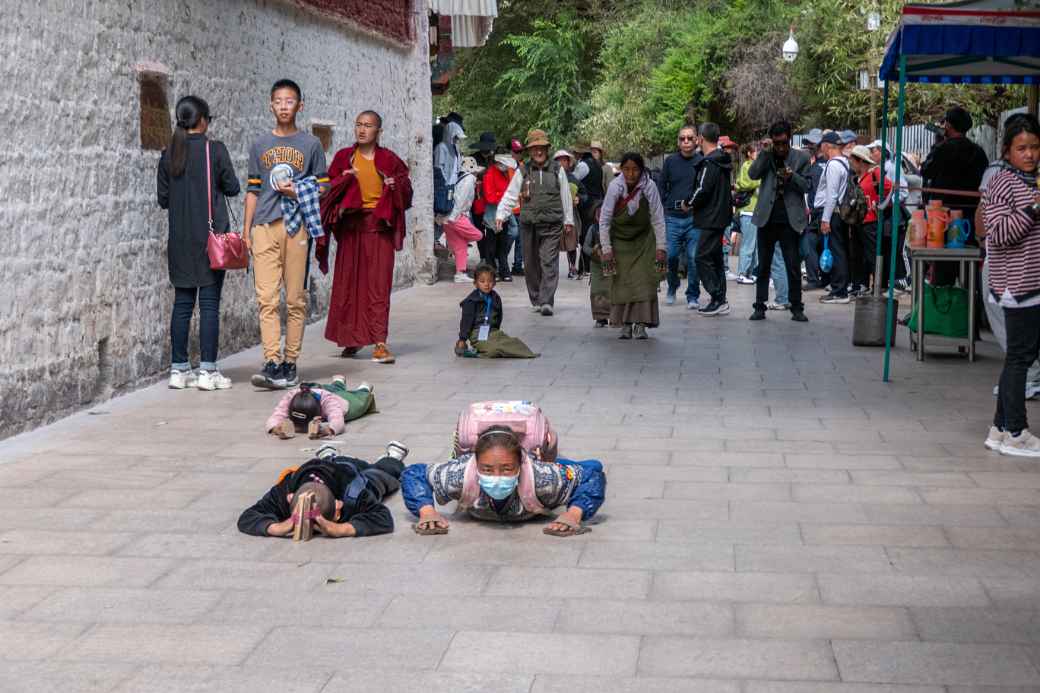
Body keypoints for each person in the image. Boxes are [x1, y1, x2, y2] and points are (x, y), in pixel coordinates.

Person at [242, 79, 329, 390]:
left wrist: (299, 189)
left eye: (289, 101)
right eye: (277, 100)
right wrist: (246, 230)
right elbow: (253, 188)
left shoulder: (310, 145)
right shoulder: (259, 145)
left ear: (299, 106)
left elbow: (323, 184)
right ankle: (271, 361)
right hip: (264, 225)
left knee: (294, 298)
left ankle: (290, 362)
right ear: (270, 104)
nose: (283, 106)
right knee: (266, 297)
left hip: (297, 225)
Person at [157, 95, 240, 391]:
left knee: (181, 304)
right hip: (210, 240)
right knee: (208, 305)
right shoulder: (214, 150)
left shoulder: (169, 154)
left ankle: (179, 369)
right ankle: (208, 370)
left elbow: (163, 200)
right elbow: (233, 187)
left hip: (179, 241)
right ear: (203, 120)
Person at [321, 111, 413, 365]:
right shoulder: (344, 157)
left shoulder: (389, 159)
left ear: (378, 132)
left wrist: (394, 185)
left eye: (368, 126)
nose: (362, 130)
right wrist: (344, 179)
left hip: (378, 228)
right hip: (352, 228)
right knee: (349, 283)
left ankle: (380, 342)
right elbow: (328, 189)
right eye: (359, 125)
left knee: (378, 286)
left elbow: (407, 192)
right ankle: (352, 337)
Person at [402, 425, 605, 537]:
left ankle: (567, 461)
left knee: (592, 467)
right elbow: (414, 473)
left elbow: (591, 477)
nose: (496, 477)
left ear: (520, 465)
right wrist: (426, 510)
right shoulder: (459, 474)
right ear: (476, 464)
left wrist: (574, 513)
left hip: (543, 465)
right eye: (487, 469)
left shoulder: (544, 479)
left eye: (507, 469)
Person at [981, 114, 1040, 457]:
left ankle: (1000, 428)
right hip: (1017, 286)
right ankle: (1017, 431)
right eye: (1022, 148)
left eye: (1034, 147)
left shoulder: (1032, 181)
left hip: (1032, 283)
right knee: (1020, 358)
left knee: (1020, 357)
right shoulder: (1003, 182)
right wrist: (1033, 208)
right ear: (1007, 150)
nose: (1030, 154)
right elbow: (999, 233)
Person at [238, 442, 409, 538]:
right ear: (290, 498)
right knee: (335, 460)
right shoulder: (284, 490)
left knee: (385, 475)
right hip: (327, 467)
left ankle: (392, 458)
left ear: (338, 506)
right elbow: (247, 517)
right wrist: (277, 527)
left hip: (356, 474)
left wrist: (341, 529)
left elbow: (384, 518)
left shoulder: (353, 494)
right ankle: (329, 455)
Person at [495, 129, 575, 316]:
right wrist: (501, 214)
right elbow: (511, 193)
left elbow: (565, 195)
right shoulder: (523, 170)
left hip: (552, 224)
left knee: (549, 262)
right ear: (530, 151)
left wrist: (568, 219)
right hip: (528, 224)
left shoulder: (557, 169)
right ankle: (537, 298)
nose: (538, 152)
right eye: (534, 149)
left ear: (547, 149)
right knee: (530, 264)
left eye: (542, 148)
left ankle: (547, 301)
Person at [747, 120, 811, 322]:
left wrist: (792, 177)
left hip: (790, 220)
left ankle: (797, 307)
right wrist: (765, 153)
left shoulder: (801, 157)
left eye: (784, 143)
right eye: (777, 143)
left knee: (792, 265)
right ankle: (760, 306)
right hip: (766, 218)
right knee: (763, 265)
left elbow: (808, 186)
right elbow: (752, 174)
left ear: (789, 139)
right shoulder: (767, 156)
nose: (781, 147)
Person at [597, 153, 667, 339]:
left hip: (644, 240)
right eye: (626, 169)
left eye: (635, 169)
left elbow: (658, 218)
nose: (631, 173)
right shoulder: (614, 187)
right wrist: (606, 249)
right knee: (622, 283)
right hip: (619, 241)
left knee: (645, 281)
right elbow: (604, 220)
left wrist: (661, 248)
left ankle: (641, 324)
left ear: (641, 170)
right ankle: (626, 324)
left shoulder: (649, 187)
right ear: (621, 170)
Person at [688, 123, 734, 316]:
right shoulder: (722, 160)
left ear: (701, 138)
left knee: (701, 257)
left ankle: (716, 297)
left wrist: (689, 203)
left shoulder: (710, 162)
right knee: (714, 258)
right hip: (721, 216)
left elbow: (703, 188)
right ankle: (720, 300)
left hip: (710, 217)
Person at [922, 106, 990, 230]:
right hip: (970, 214)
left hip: (943, 215)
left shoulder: (942, 149)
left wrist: (937, 144)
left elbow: (926, 171)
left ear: (948, 125)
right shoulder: (978, 151)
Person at [659, 125, 703, 309]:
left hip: (694, 218)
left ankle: (692, 295)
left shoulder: (702, 162)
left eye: (689, 138)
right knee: (671, 257)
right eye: (682, 138)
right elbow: (661, 185)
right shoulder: (670, 162)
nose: (686, 141)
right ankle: (672, 286)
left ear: (696, 140)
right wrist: (664, 206)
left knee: (693, 258)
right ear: (678, 141)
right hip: (673, 217)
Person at [455, 263, 538, 359]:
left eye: (490, 281)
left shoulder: (495, 298)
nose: (486, 284)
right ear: (475, 284)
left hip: (492, 331)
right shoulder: (471, 301)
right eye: (482, 281)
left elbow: (499, 316)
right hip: (477, 334)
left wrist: (496, 329)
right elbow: (466, 321)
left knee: (512, 342)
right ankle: (476, 353)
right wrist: (462, 339)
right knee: (493, 350)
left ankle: (527, 354)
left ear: (494, 283)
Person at [266, 377, 375, 439]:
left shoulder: (328, 401)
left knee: (359, 404)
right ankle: (338, 382)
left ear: (318, 414)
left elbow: (337, 419)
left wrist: (328, 430)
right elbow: (276, 415)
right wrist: (276, 429)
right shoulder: (291, 396)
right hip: (318, 389)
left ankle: (363, 389)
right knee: (330, 388)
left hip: (341, 400)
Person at [814, 131, 852, 304]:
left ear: (826, 146)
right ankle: (840, 287)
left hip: (833, 213)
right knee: (840, 250)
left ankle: (839, 290)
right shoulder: (845, 163)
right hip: (838, 213)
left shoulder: (833, 165)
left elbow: (832, 195)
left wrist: (825, 219)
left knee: (836, 251)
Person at [849, 144, 892, 292]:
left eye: (852, 161)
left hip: (871, 222)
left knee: (873, 254)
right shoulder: (857, 177)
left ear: (860, 161)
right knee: (859, 255)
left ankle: (878, 286)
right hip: (858, 221)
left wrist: (880, 203)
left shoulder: (876, 173)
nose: (851, 164)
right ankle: (862, 285)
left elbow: (890, 188)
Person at [440, 156, 485, 283]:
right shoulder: (469, 179)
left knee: (461, 247)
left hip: (448, 217)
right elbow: (461, 200)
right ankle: (447, 240)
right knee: (479, 235)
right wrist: (454, 217)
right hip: (457, 216)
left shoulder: (459, 178)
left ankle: (460, 273)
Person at [481, 154, 519, 282]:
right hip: (492, 214)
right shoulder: (489, 175)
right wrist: (504, 197)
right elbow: (490, 197)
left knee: (502, 244)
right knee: (491, 245)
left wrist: (502, 197)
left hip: (504, 213)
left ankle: (503, 270)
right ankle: (493, 271)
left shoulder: (504, 174)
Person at [554, 150, 588, 279]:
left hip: (570, 214)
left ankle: (572, 267)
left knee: (571, 242)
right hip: (554, 213)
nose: (562, 163)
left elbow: (585, 195)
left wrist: (578, 198)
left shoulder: (574, 179)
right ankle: (552, 268)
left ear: (569, 163)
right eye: (559, 160)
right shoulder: (550, 178)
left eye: (564, 160)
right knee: (552, 242)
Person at [802, 129, 827, 290]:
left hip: (819, 212)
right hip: (822, 211)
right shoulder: (824, 164)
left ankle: (814, 278)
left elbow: (815, 190)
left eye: (812, 143)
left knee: (809, 244)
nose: (809, 146)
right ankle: (823, 278)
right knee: (822, 245)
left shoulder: (818, 167)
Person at [509, 139, 526, 276]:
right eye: (516, 152)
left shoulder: (522, 166)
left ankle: (517, 265)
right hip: (509, 208)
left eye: (520, 152)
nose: (519, 154)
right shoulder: (506, 167)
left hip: (520, 208)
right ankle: (500, 262)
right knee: (508, 237)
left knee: (520, 238)